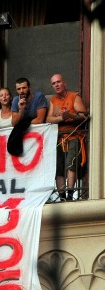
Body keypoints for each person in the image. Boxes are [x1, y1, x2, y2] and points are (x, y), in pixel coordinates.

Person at [47, 73, 89, 201]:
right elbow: (48, 118)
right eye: (54, 83)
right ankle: (62, 196)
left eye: (58, 82)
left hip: (73, 136)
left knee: (71, 164)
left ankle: (70, 195)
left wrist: (70, 115)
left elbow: (84, 116)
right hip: (58, 138)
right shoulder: (53, 100)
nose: (56, 85)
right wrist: (61, 118)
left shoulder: (74, 96)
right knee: (58, 168)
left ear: (64, 83)